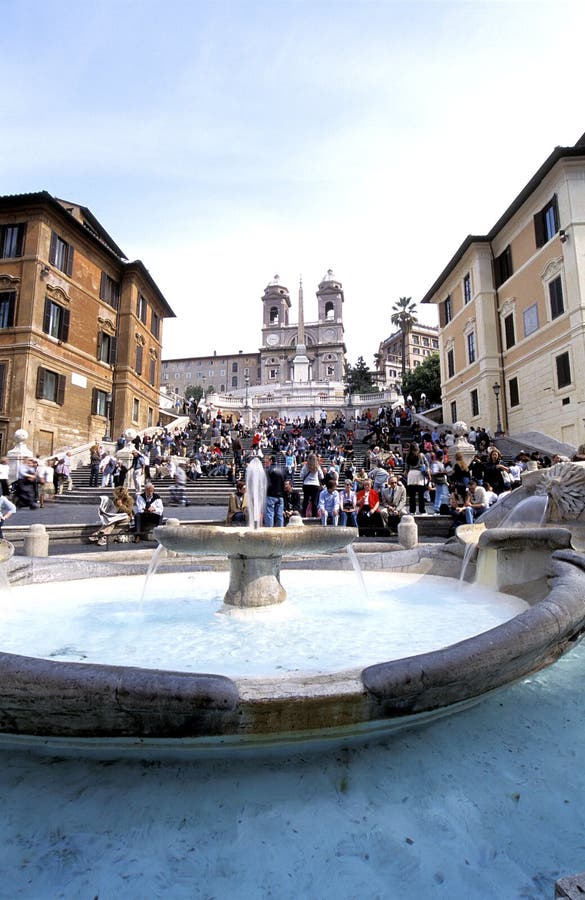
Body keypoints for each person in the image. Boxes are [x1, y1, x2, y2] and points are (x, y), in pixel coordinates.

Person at [404, 442, 428, 515]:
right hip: (419, 474)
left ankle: (412, 511)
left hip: (411, 474)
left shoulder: (408, 455)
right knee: (421, 495)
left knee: (412, 495)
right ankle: (422, 510)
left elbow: (406, 467)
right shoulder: (421, 455)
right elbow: (427, 464)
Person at [299, 453, 324, 517]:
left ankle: (304, 514)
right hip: (315, 485)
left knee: (305, 500)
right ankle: (314, 515)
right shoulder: (317, 466)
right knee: (314, 501)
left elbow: (301, 476)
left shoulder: (305, 466)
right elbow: (322, 476)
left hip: (306, 484)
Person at [264, 455, 285, 527]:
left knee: (269, 514)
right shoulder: (282, 469)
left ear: (271, 461)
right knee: (280, 515)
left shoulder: (268, 470)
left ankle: (269, 531)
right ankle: (280, 530)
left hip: (271, 495)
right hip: (280, 495)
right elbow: (284, 482)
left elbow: (267, 483)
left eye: (268, 460)